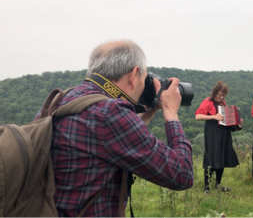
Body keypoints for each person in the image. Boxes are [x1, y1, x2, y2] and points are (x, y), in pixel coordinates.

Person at [36, 40, 194, 217]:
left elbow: (111, 143)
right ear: (134, 74)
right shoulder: (110, 113)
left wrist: (147, 114)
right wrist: (171, 112)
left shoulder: (61, 100)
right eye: (144, 78)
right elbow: (182, 174)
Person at [195, 80, 240, 193]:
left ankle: (218, 185)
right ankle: (207, 187)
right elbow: (198, 116)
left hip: (224, 133)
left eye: (223, 95)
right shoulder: (207, 102)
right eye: (220, 95)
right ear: (214, 93)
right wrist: (214, 117)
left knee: (222, 158)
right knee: (212, 157)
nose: (221, 97)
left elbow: (225, 119)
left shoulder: (222, 104)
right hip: (212, 133)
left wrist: (237, 121)